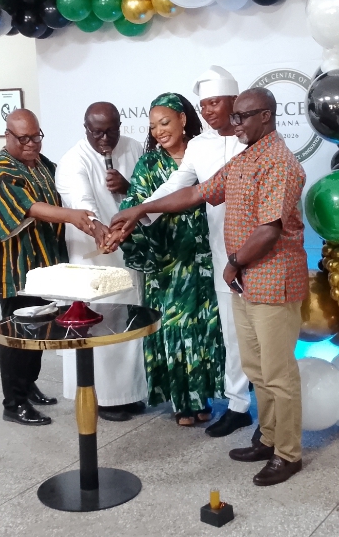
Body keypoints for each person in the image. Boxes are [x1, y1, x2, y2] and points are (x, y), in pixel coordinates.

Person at [109, 88, 308, 486]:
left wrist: (233, 264)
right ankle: (268, 438)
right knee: (256, 368)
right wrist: (142, 207)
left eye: (242, 117)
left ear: (266, 116)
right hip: (246, 282)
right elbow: (195, 192)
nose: (234, 124)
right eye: (234, 116)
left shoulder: (280, 163)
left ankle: (288, 454)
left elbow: (269, 230)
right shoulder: (245, 157)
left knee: (278, 373)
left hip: (272, 280)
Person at [137, 66, 252, 438]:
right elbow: (178, 186)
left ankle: (272, 412)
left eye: (215, 102)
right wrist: (139, 212)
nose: (208, 110)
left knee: (266, 337)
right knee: (232, 335)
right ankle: (238, 406)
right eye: (204, 104)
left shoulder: (255, 138)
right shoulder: (199, 147)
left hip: (262, 253)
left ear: (234, 101)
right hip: (221, 256)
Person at [0, 109, 98, 426]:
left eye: (36, 137)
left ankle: (28, 384)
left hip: (41, 262)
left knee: (38, 325)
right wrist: (71, 216)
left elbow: (62, 191)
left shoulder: (42, 164)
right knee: (17, 331)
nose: (31, 144)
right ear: (7, 136)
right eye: (23, 138)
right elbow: (29, 207)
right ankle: (14, 402)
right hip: (13, 265)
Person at [119, 92, 225, 427]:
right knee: (176, 328)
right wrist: (124, 226)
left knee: (207, 327)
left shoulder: (206, 153)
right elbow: (135, 203)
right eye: (153, 127)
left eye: (164, 122)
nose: (159, 131)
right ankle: (182, 402)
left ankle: (205, 396)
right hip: (168, 263)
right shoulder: (149, 164)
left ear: (183, 118)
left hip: (208, 259)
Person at [55, 102, 147, 422]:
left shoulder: (133, 148)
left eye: (111, 131)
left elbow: (147, 192)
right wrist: (97, 229)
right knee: (100, 322)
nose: (105, 139)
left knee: (127, 322)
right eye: (97, 132)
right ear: (86, 129)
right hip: (93, 256)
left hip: (127, 252)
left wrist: (127, 186)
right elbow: (82, 204)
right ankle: (103, 398)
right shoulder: (73, 160)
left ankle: (129, 393)